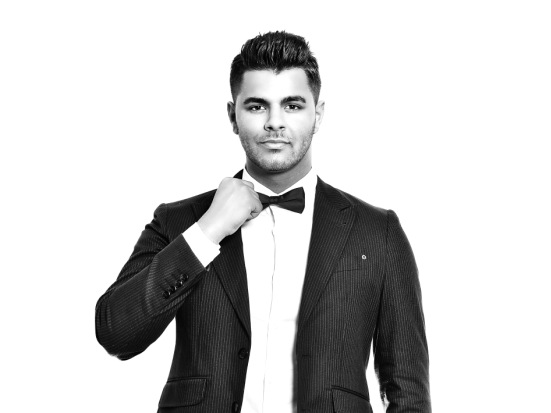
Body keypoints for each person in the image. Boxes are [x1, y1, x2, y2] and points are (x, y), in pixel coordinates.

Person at [95, 31, 431, 413]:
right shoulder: (179, 222)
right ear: (233, 116)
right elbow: (116, 333)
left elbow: (408, 392)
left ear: (318, 115)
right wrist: (207, 232)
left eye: (292, 105)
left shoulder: (377, 232)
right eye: (257, 106)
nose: (275, 123)